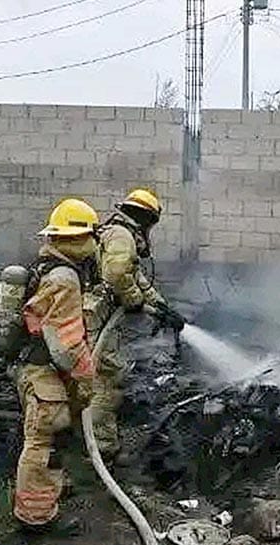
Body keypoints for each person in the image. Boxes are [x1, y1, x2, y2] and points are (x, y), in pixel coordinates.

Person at [13, 198, 99, 530]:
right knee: (43, 444)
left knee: (54, 437)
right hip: (45, 371)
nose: (95, 243)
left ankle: (50, 493)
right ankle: (36, 518)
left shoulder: (47, 266)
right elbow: (65, 344)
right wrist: (86, 377)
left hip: (36, 367)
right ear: (78, 238)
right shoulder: (64, 278)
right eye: (92, 235)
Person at [91, 188, 185, 462]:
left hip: (98, 317)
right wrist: (133, 301)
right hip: (95, 318)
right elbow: (117, 274)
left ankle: (92, 439)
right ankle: (101, 449)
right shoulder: (122, 235)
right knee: (106, 379)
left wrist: (161, 308)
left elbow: (136, 279)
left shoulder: (120, 233)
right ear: (146, 218)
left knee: (100, 376)